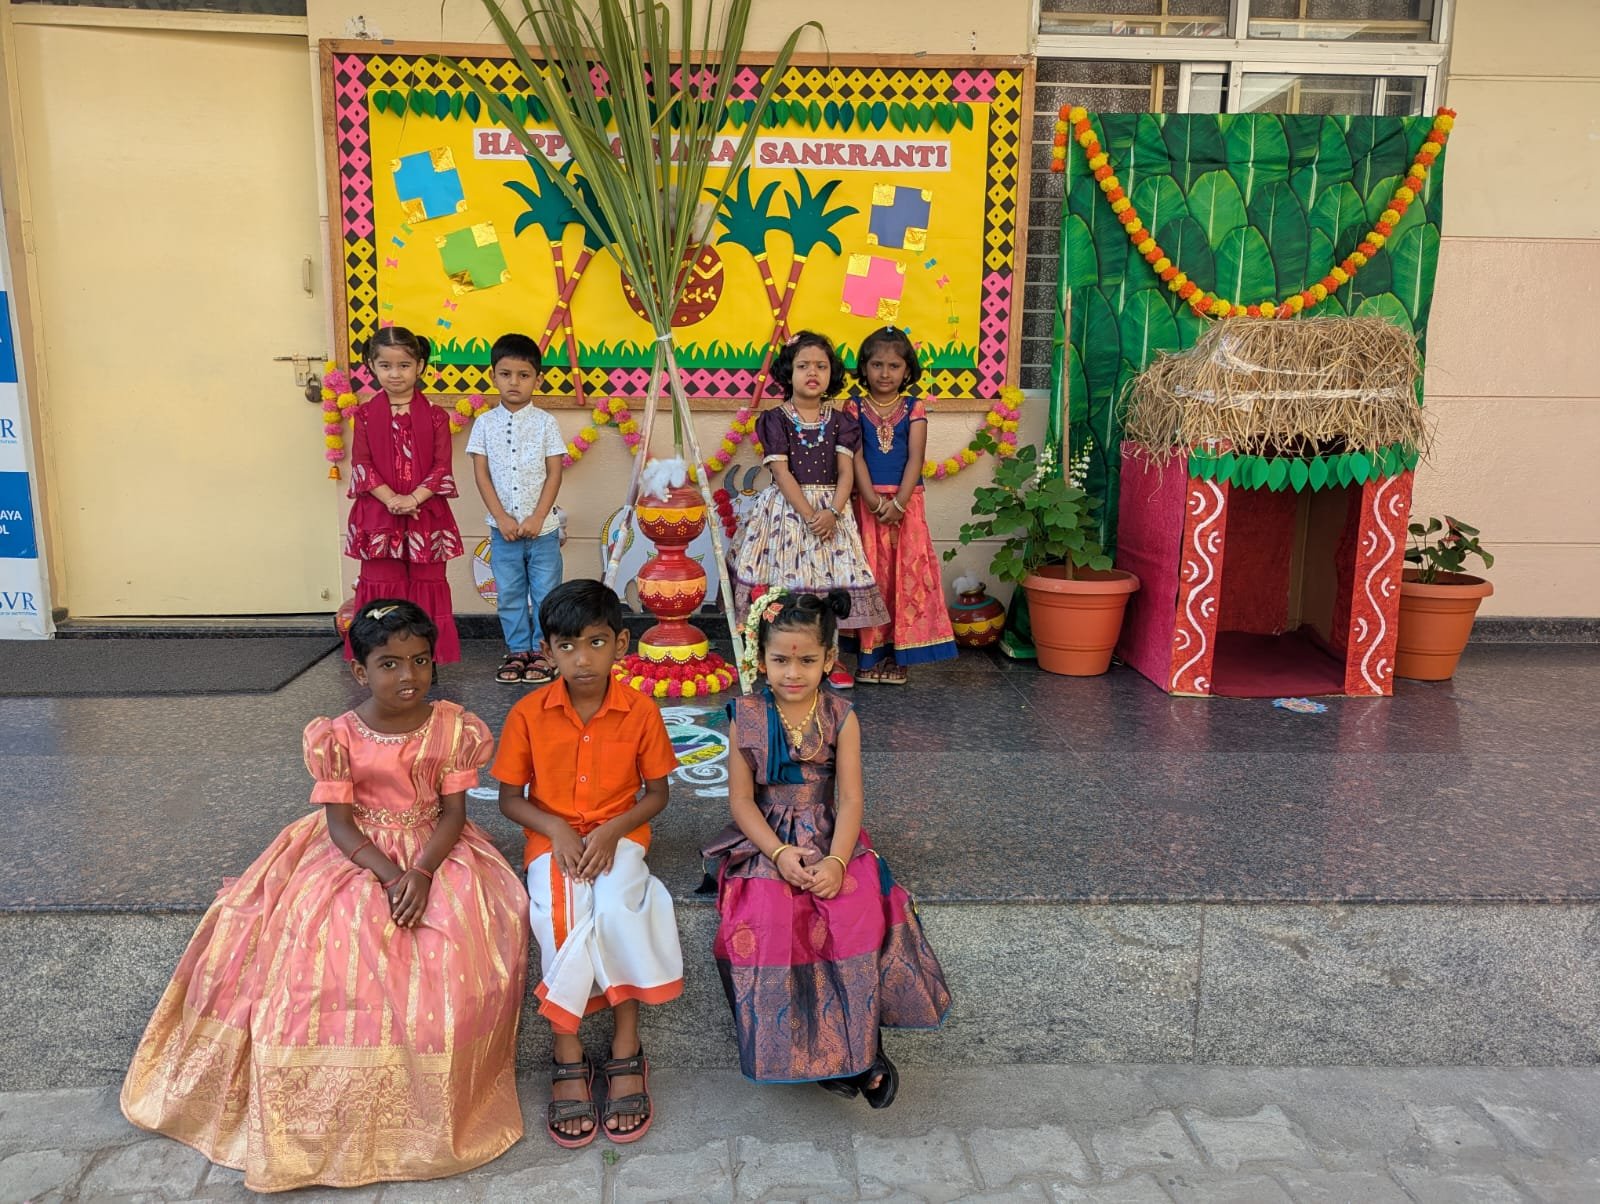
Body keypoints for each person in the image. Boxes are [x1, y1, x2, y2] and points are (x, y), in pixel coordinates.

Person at [121, 601, 529, 1193]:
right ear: (360, 672)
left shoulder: (453, 728)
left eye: (420, 661)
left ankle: (427, 1114)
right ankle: (315, 1122)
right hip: (357, 852)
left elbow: (452, 813)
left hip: (435, 849)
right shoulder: (336, 737)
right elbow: (340, 826)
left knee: (459, 933)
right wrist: (391, 875)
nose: (408, 675)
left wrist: (421, 872)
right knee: (322, 945)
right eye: (389, 664)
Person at [704, 589, 950, 1104]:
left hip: (830, 833)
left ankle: (861, 1052)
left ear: (829, 660)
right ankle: (798, 1052)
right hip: (765, 839)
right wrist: (777, 854)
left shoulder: (842, 716)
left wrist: (838, 862)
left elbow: (851, 796)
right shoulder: (744, 715)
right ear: (759, 658)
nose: (792, 673)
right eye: (779, 660)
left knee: (855, 911)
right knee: (771, 916)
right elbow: (743, 804)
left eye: (807, 660)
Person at [492, 579, 683, 1147]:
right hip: (550, 842)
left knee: (623, 909)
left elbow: (656, 794)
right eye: (567, 646)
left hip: (620, 836)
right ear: (547, 650)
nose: (582, 659)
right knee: (558, 917)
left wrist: (611, 831)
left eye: (596, 643)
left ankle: (627, 1040)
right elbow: (510, 798)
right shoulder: (528, 714)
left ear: (621, 644)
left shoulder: (640, 710)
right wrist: (555, 830)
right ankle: (567, 1046)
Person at [729, 330, 888, 689]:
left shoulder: (842, 422)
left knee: (828, 587)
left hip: (833, 512)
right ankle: (774, 655)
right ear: (789, 372)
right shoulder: (775, 419)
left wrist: (831, 512)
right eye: (803, 366)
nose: (812, 372)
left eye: (821, 365)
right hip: (786, 513)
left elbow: (846, 472)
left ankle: (830, 658)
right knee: (782, 588)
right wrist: (809, 514)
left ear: (832, 373)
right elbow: (781, 472)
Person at [846, 326, 959, 684]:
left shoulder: (914, 407)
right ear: (864, 368)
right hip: (866, 502)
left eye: (893, 366)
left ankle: (900, 656)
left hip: (907, 502)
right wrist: (871, 499)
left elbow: (915, 459)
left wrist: (899, 502)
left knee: (904, 578)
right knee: (871, 577)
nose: (884, 373)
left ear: (907, 370)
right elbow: (856, 456)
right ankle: (869, 656)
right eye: (876, 364)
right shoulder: (853, 407)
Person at [345, 327, 465, 663]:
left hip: (426, 513)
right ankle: (381, 657)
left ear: (420, 366)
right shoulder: (365, 416)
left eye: (404, 365)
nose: (395, 374)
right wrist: (392, 501)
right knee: (383, 583)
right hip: (379, 516)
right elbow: (362, 464)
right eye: (385, 365)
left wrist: (412, 500)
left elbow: (442, 467)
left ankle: (425, 659)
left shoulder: (437, 417)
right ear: (372, 366)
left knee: (428, 583)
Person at [467, 332, 568, 686]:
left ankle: (544, 653)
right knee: (508, 592)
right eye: (506, 373)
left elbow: (555, 471)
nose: (514, 382)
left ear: (537, 380)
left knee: (546, 594)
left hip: (543, 531)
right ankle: (517, 650)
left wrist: (539, 516)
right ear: (493, 375)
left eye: (524, 375)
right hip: (503, 531)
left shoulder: (545, 423)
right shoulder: (484, 424)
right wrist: (501, 518)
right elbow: (480, 473)